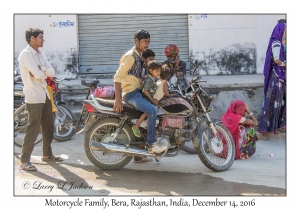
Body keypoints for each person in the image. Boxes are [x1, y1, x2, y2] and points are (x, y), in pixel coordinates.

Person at [113, 29, 166, 155]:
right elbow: (117, 77)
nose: (147, 44)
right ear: (136, 41)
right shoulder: (130, 56)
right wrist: (117, 99)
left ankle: (139, 154)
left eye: (148, 41)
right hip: (131, 93)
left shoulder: (139, 56)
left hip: (137, 91)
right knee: (152, 110)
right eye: (144, 41)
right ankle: (151, 143)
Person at [18, 28, 63, 171]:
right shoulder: (26, 55)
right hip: (34, 96)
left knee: (49, 125)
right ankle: (25, 160)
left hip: (45, 94)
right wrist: (42, 71)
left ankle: (47, 154)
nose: (43, 39)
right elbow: (39, 75)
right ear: (32, 38)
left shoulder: (40, 54)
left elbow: (51, 72)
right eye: (40, 37)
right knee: (33, 128)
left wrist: (41, 68)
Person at [258, 21, 286, 134]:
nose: (286, 33)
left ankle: (276, 126)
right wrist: (286, 64)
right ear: (280, 31)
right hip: (277, 78)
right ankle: (269, 127)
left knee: (278, 102)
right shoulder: (276, 43)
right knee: (274, 101)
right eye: (285, 31)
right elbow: (277, 60)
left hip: (278, 76)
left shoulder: (278, 43)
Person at [132, 62, 172, 135]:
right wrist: (169, 96)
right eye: (157, 71)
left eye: (159, 71)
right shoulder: (152, 80)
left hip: (152, 97)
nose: (158, 73)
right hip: (151, 98)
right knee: (150, 111)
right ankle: (138, 125)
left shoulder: (156, 80)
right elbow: (147, 91)